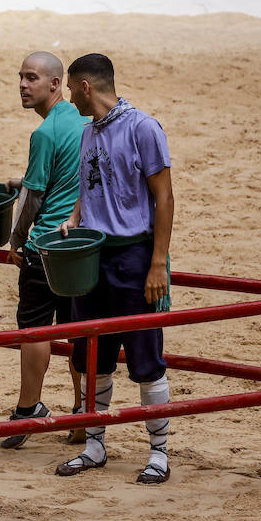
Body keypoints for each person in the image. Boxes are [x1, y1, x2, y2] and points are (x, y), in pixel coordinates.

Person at [56, 53, 175, 485]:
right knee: (93, 356)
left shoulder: (143, 127)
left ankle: (159, 452)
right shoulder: (89, 133)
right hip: (93, 256)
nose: (70, 98)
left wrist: (157, 261)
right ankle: (95, 443)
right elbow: (89, 188)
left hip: (133, 255)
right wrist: (73, 218)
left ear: (86, 85)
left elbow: (164, 196)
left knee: (146, 357)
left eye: (71, 89)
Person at [0, 52, 87, 449]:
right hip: (79, 247)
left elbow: (34, 199)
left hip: (45, 248)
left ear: (55, 83)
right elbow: (67, 177)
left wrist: (16, 240)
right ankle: (82, 415)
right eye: (20, 77)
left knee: (34, 329)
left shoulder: (45, 133)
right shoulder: (82, 122)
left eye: (31, 78)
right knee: (78, 334)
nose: (22, 84)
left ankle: (27, 408)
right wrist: (23, 180)